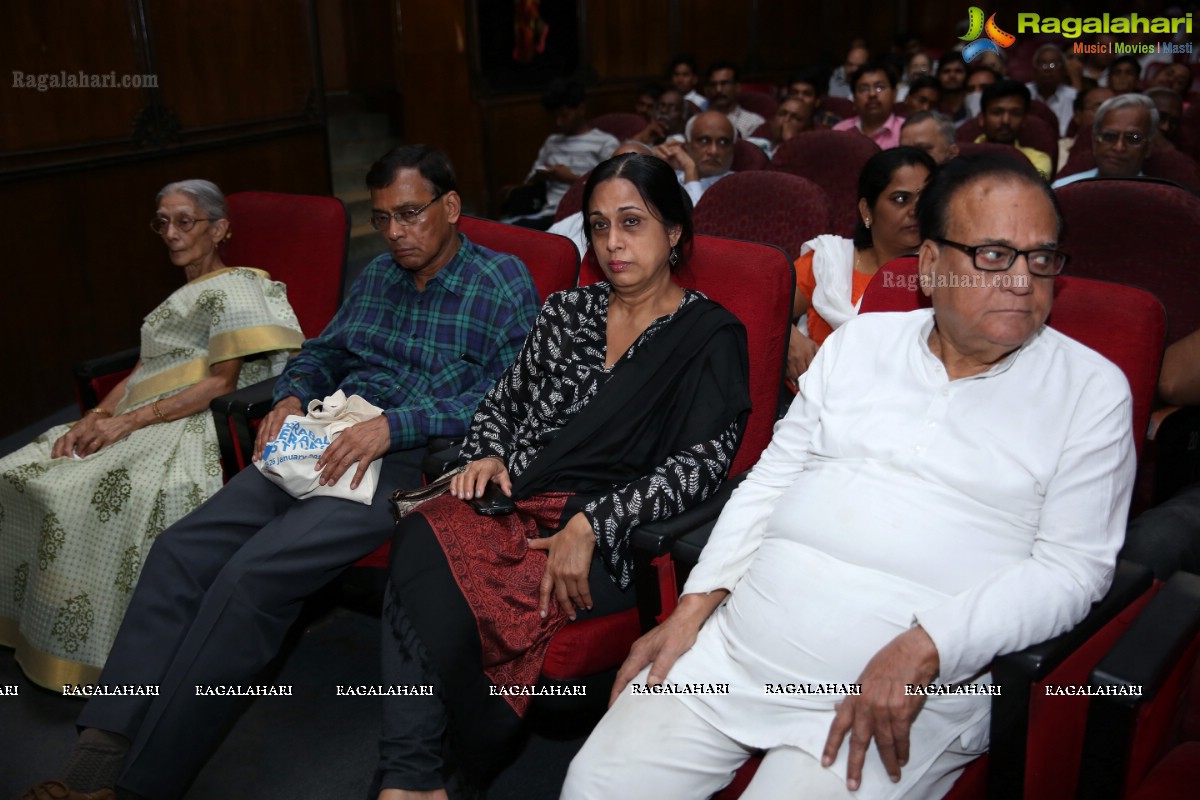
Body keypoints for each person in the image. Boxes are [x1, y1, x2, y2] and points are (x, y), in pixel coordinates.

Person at [564, 153, 1134, 800]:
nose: (1024, 282)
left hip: (911, 686)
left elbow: (1073, 570)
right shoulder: (862, 345)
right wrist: (692, 610)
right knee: (595, 786)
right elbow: (772, 480)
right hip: (742, 647)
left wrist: (926, 646)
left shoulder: (1089, 389)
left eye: (1042, 258)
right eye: (995, 256)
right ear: (929, 264)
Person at [24, 145, 542, 800]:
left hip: (409, 459)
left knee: (250, 578)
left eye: (411, 214)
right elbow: (323, 351)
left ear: (451, 206)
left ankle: (139, 786)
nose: (396, 233)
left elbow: (513, 397)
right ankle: (100, 750)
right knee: (181, 550)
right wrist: (293, 395)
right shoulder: (379, 277)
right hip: (319, 435)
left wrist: (395, 426)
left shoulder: (501, 283)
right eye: (383, 219)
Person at [373, 153, 751, 798]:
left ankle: (433, 774)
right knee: (424, 536)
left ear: (676, 231)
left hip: (617, 535)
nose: (613, 243)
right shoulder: (566, 313)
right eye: (599, 226)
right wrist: (488, 451)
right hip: (515, 498)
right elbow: (502, 401)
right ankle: (416, 779)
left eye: (632, 223)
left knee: (442, 567)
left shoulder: (710, 336)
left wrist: (593, 523)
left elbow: (700, 469)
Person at [0, 180, 304, 691]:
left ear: (220, 228)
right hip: (144, 410)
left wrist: (126, 423)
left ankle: (97, 648)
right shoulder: (183, 292)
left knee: (67, 490)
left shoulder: (235, 286)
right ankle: (35, 618)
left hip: (188, 423)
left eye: (185, 220)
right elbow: (145, 369)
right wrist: (94, 415)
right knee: (13, 471)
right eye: (161, 221)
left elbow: (218, 383)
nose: (170, 232)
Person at [789, 147, 936, 379]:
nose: (916, 211)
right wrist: (788, 336)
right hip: (808, 401)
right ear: (867, 210)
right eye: (901, 199)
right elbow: (763, 309)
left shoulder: (947, 273)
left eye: (926, 199)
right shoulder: (829, 261)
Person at [511, 79, 619, 230]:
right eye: (555, 116)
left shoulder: (605, 143)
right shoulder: (552, 142)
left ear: (580, 109)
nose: (558, 122)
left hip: (581, 215)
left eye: (564, 115)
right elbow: (528, 180)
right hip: (548, 213)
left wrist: (571, 179)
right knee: (504, 229)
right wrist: (542, 175)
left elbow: (612, 188)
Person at [1053, 94, 1159, 188]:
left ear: (1148, 148)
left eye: (1133, 138)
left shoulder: (1163, 199)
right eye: (1109, 136)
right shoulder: (1063, 189)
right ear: (1095, 143)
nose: (1119, 147)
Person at [975, 79, 1053, 181]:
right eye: (997, 113)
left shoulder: (1038, 160)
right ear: (981, 118)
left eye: (1015, 113)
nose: (1006, 121)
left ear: (1024, 120)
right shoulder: (962, 156)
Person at [659, 110, 737, 205]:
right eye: (704, 141)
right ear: (687, 146)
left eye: (723, 142)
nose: (713, 151)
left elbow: (697, 217)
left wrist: (690, 170)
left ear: (733, 149)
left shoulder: (739, 186)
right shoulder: (672, 176)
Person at [834, 63, 903, 150]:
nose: (872, 94)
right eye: (864, 89)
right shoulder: (840, 131)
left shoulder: (905, 131)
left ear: (894, 94)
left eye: (879, 87)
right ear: (854, 98)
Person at [704, 61, 765, 140]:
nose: (718, 90)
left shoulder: (753, 122)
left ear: (737, 87)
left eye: (725, 83)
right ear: (707, 90)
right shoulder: (697, 121)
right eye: (713, 85)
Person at [1026, 44, 1077, 136]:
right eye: (1043, 64)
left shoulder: (1073, 97)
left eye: (1054, 65)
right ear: (1033, 69)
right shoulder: (1023, 93)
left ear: (1063, 70)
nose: (1048, 69)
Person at [936, 51, 970, 122]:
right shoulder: (932, 106)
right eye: (946, 71)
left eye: (958, 71)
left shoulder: (972, 106)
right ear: (938, 76)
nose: (952, 76)